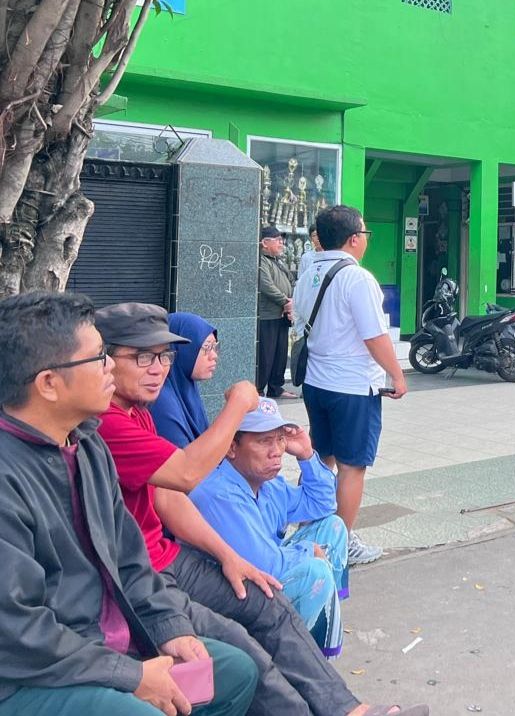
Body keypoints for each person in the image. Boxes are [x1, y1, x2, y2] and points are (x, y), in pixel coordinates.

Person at [94, 302, 428, 716]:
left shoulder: (142, 410)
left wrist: (228, 557)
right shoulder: (108, 422)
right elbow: (183, 476)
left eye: (164, 356)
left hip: (164, 558)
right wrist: (238, 406)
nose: (157, 368)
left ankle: (348, 710)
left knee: (268, 601)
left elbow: (166, 496)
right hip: (138, 574)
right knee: (246, 648)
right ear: (100, 360)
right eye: (143, 356)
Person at [0, 291, 258, 716]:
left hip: (108, 641)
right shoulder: (9, 473)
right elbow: (16, 629)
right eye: (98, 358)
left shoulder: (87, 445)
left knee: (233, 672)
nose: (110, 369)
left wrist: (168, 628)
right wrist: (129, 676)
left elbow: (130, 560)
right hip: (34, 674)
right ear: (47, 383)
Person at [293, 205, 408, 566]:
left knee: (320, 458)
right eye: (365, 234)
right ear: (354, 238)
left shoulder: (308, 270)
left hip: (316, 382)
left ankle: (308, 529)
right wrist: (398, 375)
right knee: (352, 466)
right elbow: (374, 336)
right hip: (352, 388)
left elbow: (298, 317)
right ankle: (338, 544)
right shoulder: (357, 278)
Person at [191, 397, 349, 658]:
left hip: (262, 574)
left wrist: (307, 454)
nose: (276, 450)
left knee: (332, 527)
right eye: (264, 441)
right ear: (231, 447)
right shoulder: (218, 493)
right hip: (224, 600)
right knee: (314, 571)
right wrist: (308, 550)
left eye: (279, 439)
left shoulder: (268, 483)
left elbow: (322, 504)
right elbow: (264, 563)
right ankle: (299, 659)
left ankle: (317, 640)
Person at [153, 312, 218, 447]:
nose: (214, 356)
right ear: (181, 350)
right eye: (206, 347)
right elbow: (184, 461)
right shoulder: (160, 399)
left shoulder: (185, 386)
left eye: (215, 347)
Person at [257, 227, 296, 400]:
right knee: (266, 354)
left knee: (280, 354)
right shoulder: (260, 261)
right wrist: (285, 301)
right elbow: (266, 285)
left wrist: (292, 302)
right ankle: (259, 389)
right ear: (265, 243)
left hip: (282, 315)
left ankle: (276, 388)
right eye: (277, 239)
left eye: (282, 240)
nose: (282, 243)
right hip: (268, 316)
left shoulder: (277, 261)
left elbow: (291, 281)